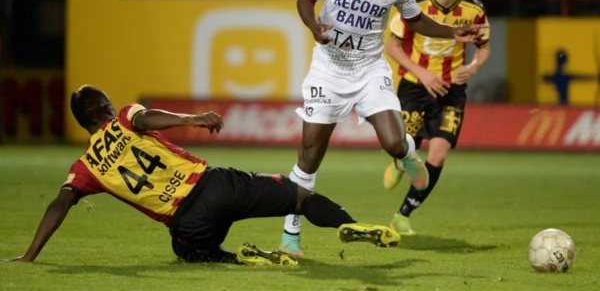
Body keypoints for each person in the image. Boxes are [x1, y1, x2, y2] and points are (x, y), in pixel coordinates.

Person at [6, 85, 402, 266]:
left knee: (187, 253)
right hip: (216, 186)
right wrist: (192, 118)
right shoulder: (125, 117)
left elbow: (59, 205)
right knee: (300, 197)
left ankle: (236, 260)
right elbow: (146, 117)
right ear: (105, 108)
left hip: (188, 225)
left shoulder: (85, 167)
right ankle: (350, 224)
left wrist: (30, 254)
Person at [280, 0, 488, 255]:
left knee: (393, 142)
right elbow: (305, 0)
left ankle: (407, 154)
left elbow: (416, 21)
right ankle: (290, 235)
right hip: (328, 71)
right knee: (310, 155)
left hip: (369, 70)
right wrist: (314, 26)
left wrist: (453, 32)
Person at [382, 0, 491, 235]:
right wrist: (422, 72)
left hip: (452, 91)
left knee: (439, 155)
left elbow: (484, 47)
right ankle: (399, 162)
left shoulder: (474, 10)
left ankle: (402, 215)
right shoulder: (414, 7)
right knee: (408, 150)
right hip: (415, 87)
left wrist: (473, 68)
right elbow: (391, 45)